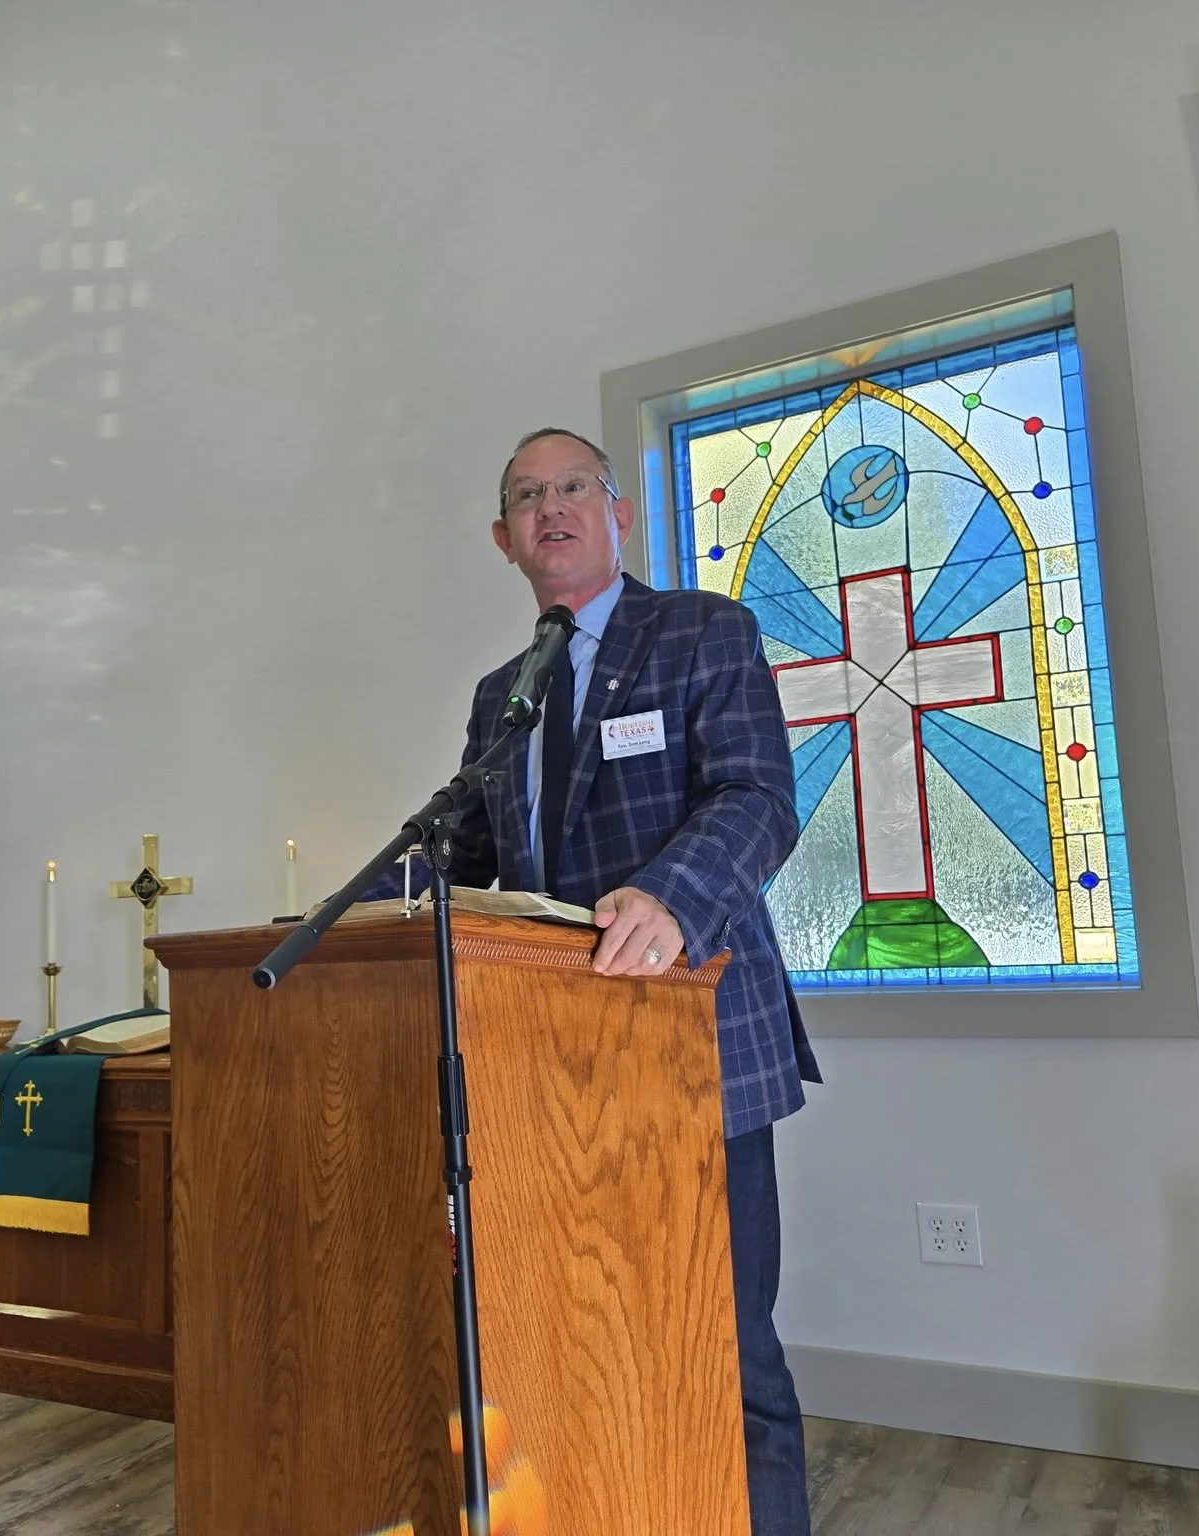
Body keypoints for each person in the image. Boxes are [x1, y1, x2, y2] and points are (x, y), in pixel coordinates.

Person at [442, 427, 822, 1532]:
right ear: (503, 540)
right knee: (582, 1340)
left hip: (694, 1048)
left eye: (572, 487)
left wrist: (668, 897)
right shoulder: (497, 696)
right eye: (525, 496)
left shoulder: (701, 633)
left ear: (620, 515)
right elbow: (472, 860)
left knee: (727, 1347)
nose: (548, 506)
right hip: (549, 1074)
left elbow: (755, 795)